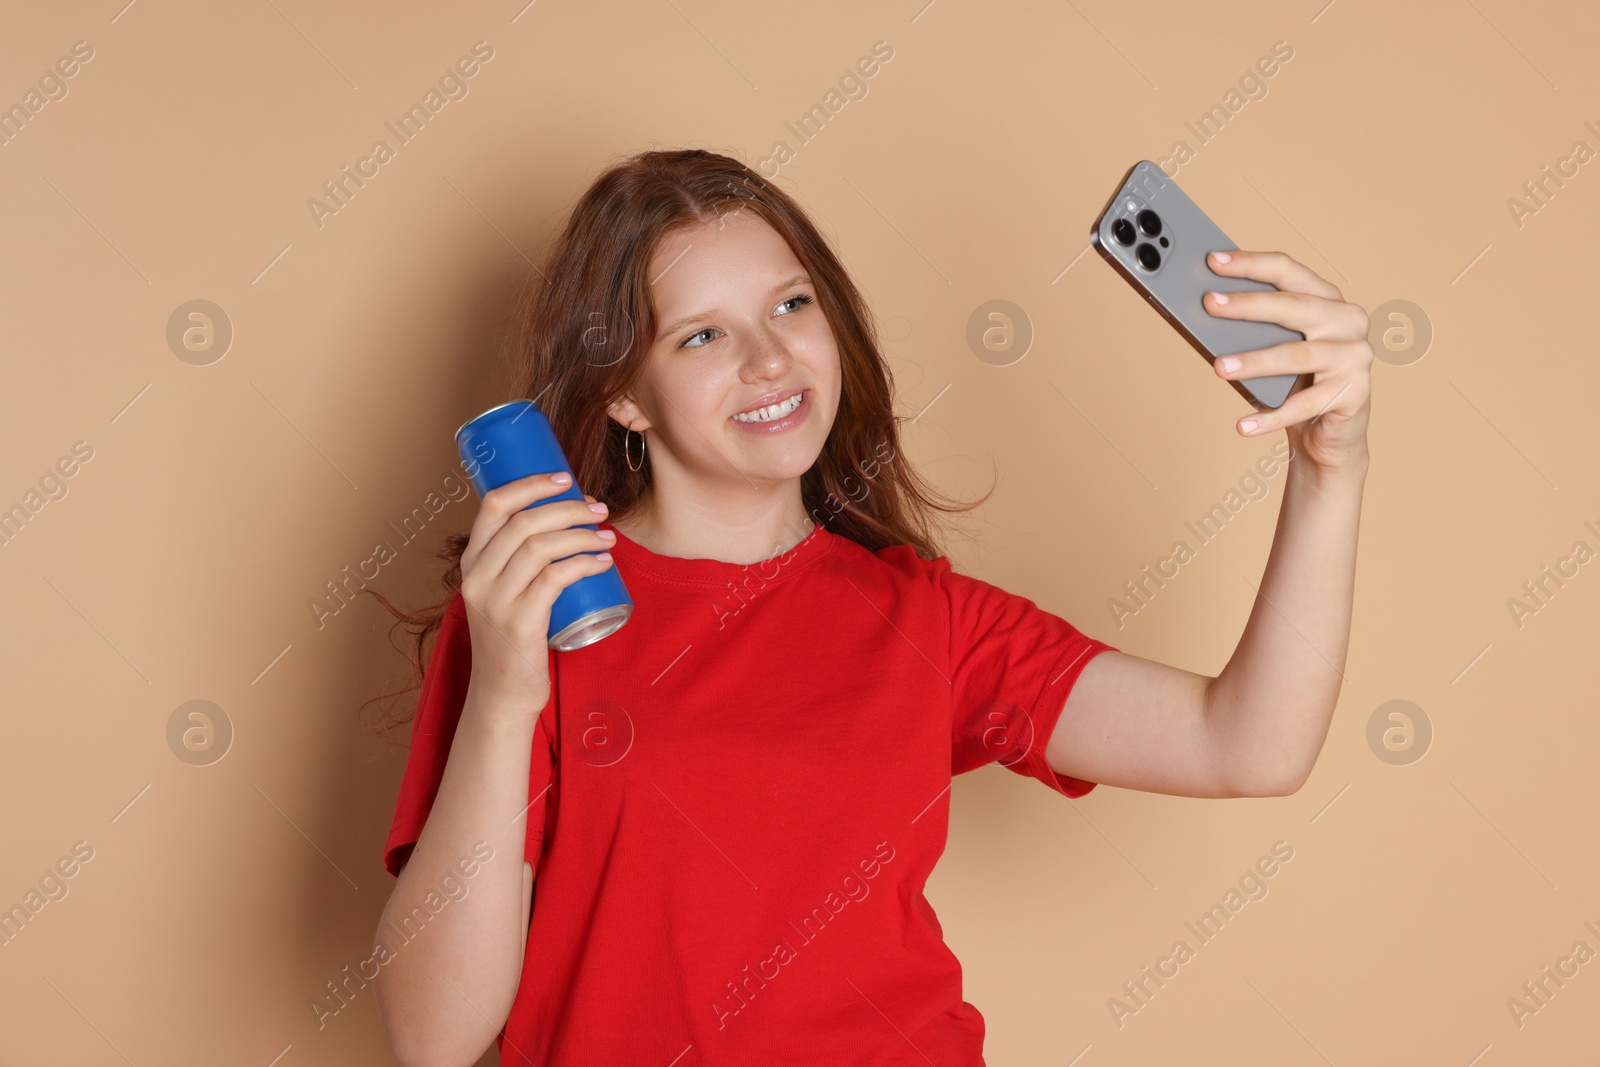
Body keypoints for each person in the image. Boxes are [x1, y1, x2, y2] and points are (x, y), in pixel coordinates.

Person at [366, 148, 1372, 1066]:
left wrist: (1329, 469)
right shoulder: (534, 609)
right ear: (622, 393)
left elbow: (1246, 744)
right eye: (703, 334)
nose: (769, 360)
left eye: (791, 306)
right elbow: (432, 1037)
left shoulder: (927, 620)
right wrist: (504, 689)